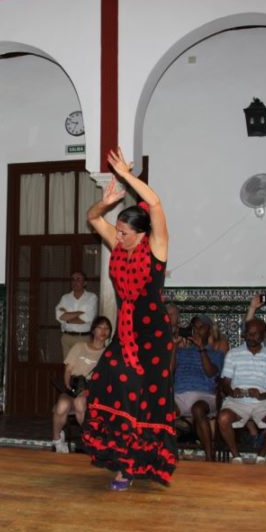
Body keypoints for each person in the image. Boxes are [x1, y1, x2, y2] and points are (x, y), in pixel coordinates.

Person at [81, 147, 177, 491]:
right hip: (125, 334)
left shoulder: (156, 247)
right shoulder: (118, 244)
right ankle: (119, 457)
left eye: (123, 232)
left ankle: (130, 467)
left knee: (142, 399)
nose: (116, 236)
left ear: (140, 233)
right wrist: (105, 204)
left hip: (152, 337)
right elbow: (92, 218)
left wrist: (126, 176)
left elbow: (157, 204)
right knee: (108, 382)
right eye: (117, 230)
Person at [217, 318, 266, 464]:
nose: (251, 337)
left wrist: (261, 395)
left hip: (263, 401)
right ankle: (236, 456)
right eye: (249, 333)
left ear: (263, 335)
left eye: (256, 334)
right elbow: (225, 382)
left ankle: (261, 455)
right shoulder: (233, 354)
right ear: (244, 334)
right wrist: (231, 391)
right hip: (237, 401)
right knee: (223, 418)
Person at [52, 315, 112, 453]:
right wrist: (68, 386)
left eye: (107, 328)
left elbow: (108, 378)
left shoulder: (108, 353)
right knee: (62, 405)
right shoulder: (80, 346)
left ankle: (90, 439)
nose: (103, 331)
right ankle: (57, 439)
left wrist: (89, 391)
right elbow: (68, 370)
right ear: (93, 330)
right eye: (100, 327)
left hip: (94, 391)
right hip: (74, 387)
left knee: (80, 402)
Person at [172, 314, 224, 461]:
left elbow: (211, 372)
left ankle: (209, 456)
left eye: (201, 327)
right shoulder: (182, 352)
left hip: (204, 395)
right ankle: (162, 454)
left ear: (209, 330)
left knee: (198, 409)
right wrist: (174, 348)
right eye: (194, 328)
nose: (196, 331)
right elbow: (170, 371)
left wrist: (202, 348)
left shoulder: (216, 354)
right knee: (164, 406)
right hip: (179, 395)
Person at [55, 271, 98, 359]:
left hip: (83, 338)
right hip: (67, 338)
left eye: (78, 279)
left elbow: (88, 318)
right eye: (73, 279)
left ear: (85, 282)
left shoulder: (91, 297)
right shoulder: (65, 298)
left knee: (83, 368)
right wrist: (80, 312)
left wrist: (68, 317)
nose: (75, 282)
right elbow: (60, 316)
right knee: (68, 368)